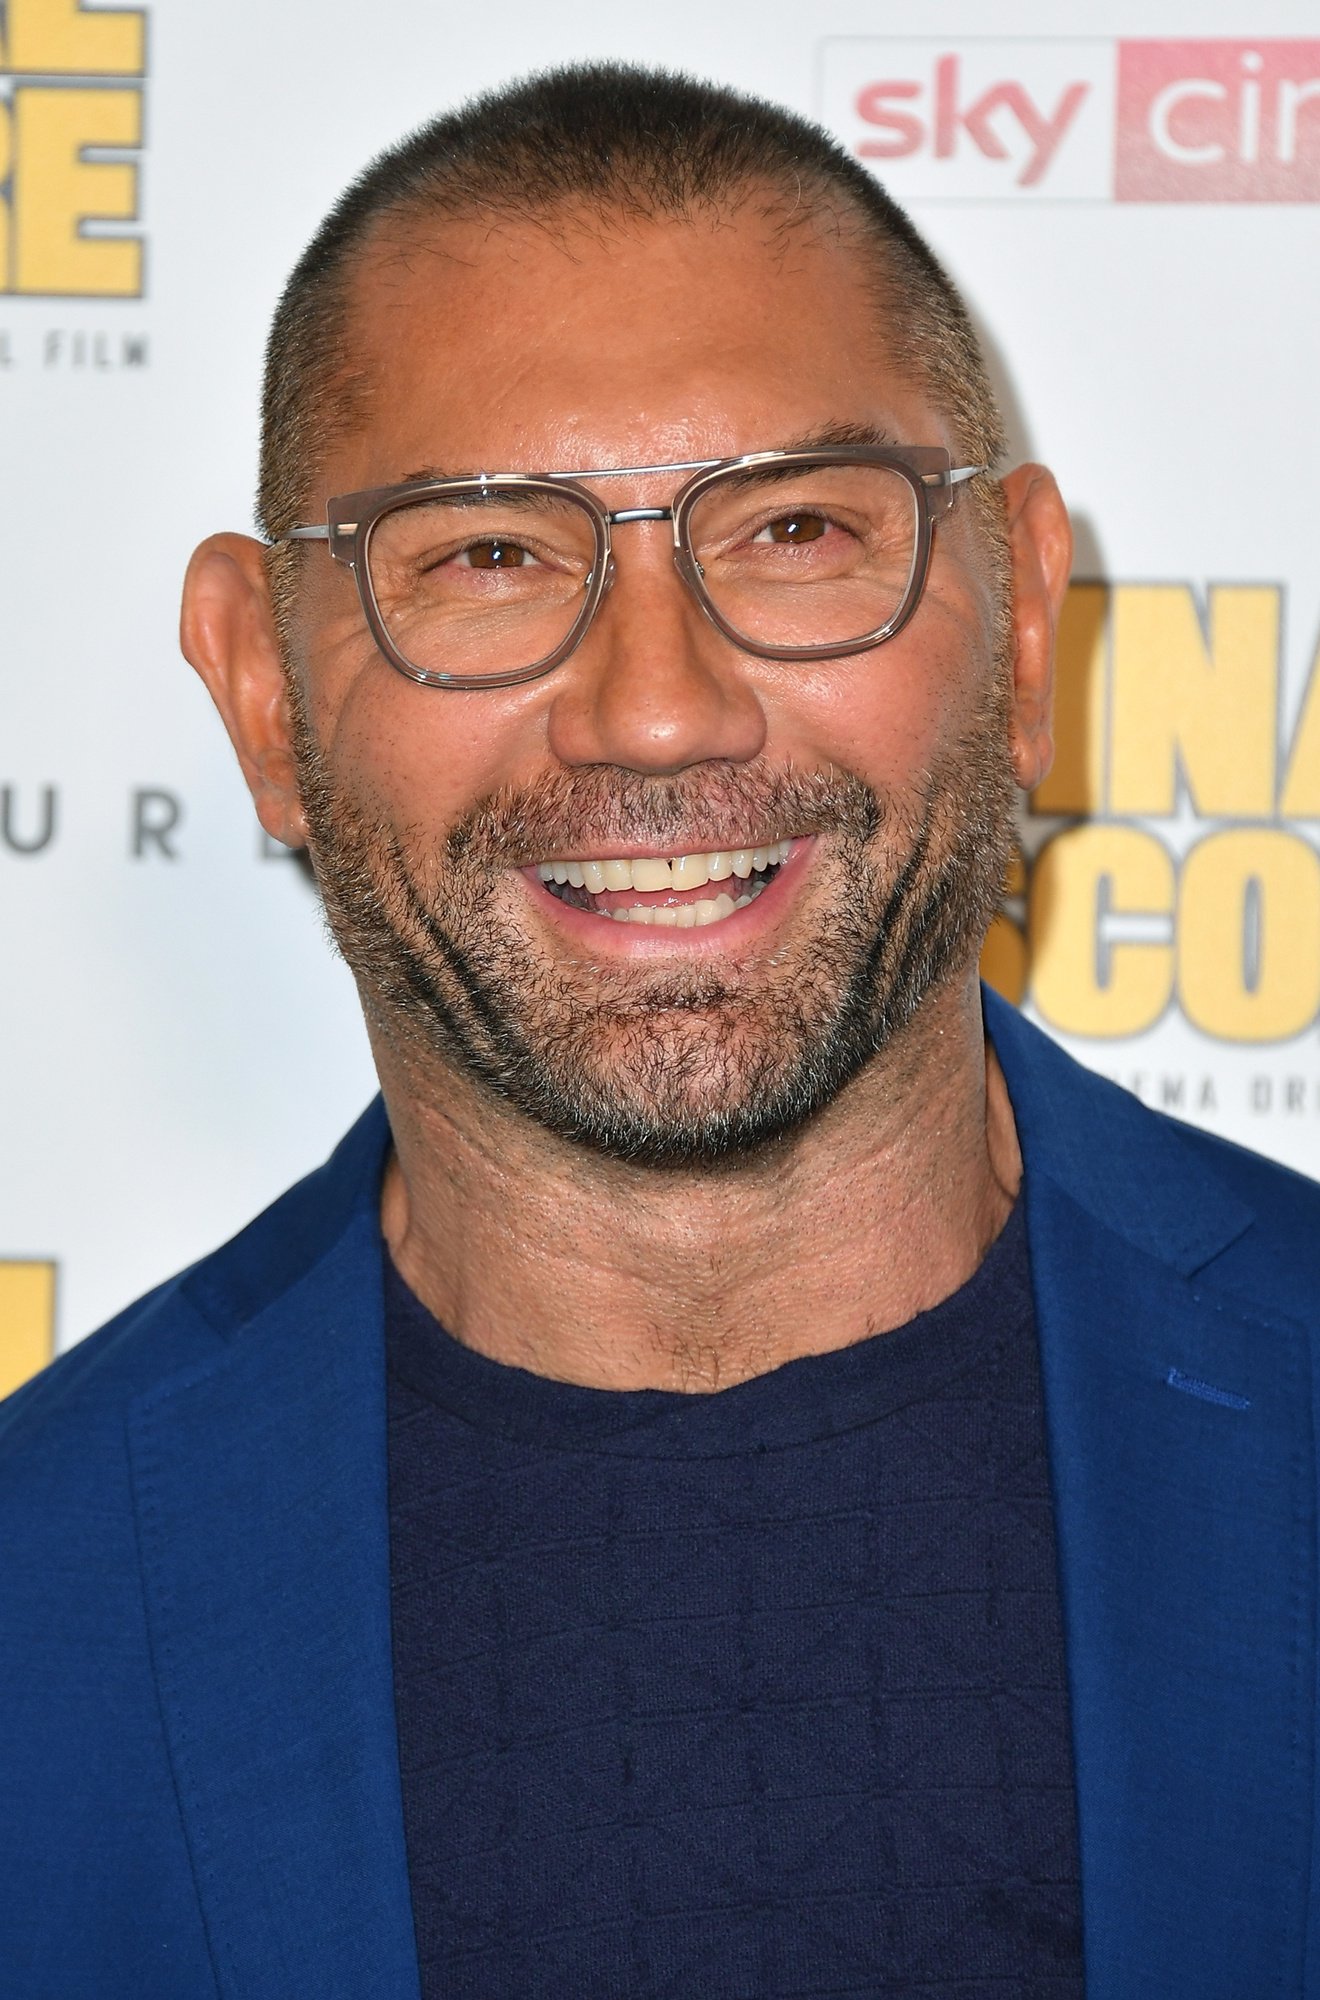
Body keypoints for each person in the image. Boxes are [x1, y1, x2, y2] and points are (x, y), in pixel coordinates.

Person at [2, 61, 1317, 2000]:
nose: (657, 708)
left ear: (1029, 626)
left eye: (794, 530)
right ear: (265, 692)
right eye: (489, 554)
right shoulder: (39, 1601)